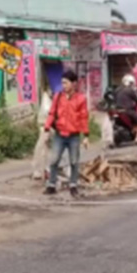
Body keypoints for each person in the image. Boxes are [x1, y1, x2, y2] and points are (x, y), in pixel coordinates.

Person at [44, 70, 89, 198]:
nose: (63, 85)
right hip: (59, 134)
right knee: (54, 160)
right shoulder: (58, 97)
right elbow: (52, 113)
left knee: (74, 161)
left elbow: (83, 117)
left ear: (74, 84)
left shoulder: (81, 99)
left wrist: (86, 135)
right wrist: (47, 128)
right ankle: (51, 185)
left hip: (74, 135)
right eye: (62, 83)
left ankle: (73, 185)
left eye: (66, 83)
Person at [115, 74, 137, 143]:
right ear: (130, 83)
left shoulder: (117, 90)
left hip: (118, 110)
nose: (132, 85)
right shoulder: (130, 90)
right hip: (128, 110)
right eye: (132, 83)